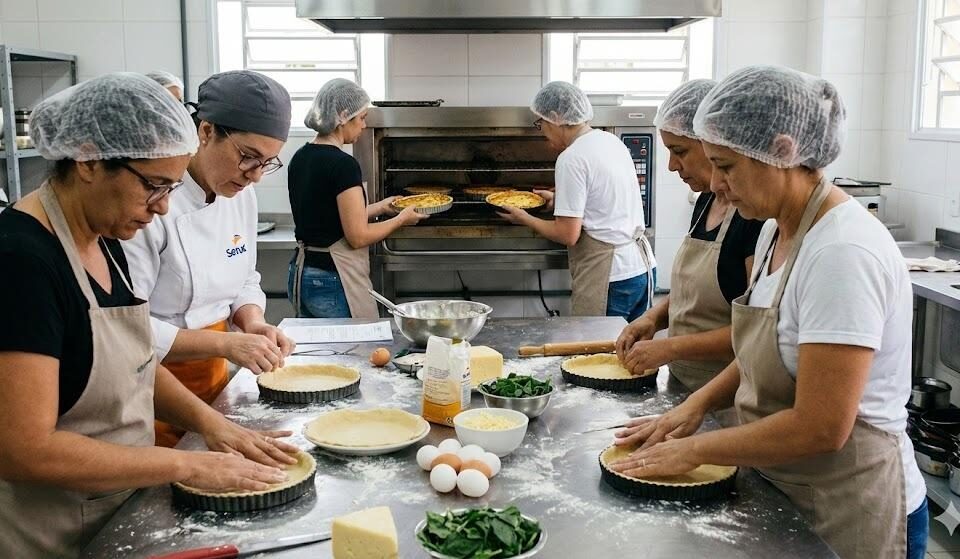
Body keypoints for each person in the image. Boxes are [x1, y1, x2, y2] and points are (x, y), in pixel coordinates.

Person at [609, 66, 927, 559]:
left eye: (726, 166)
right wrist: (695, 407)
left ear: (781, 151)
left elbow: (822, 426)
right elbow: (762, 350)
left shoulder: (842, 253)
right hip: (788, 486)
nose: (714, 183)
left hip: (850, 504)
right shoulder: (774, 230)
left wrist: (693, 450)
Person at [0, 73, 298, 559]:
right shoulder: (21, 261)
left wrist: (213, 426)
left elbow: (134, 363)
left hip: (115, 506)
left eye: (171, 189)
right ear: (89, 160)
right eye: (155, 186)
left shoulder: (103, 239)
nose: (162, 209)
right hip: (54, 531)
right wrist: (185, 467)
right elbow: (22, 450)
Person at [123, 70, 296, 447]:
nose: (255, 177)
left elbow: (245, 275)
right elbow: (125, 328)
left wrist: (253, 323)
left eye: (267, 163)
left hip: (217, 381)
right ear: (205, 132)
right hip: (151, 386)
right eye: (248, 157)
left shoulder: (241, 195)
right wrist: (225, 345)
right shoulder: (148, 205)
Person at [615, 79, 764, 392]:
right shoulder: (705, 202)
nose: (671, 166)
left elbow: (755, 332)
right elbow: (691, 294)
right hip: (684, 383)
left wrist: (670, 348)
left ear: (714, 143)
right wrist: (653, 319)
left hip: (727, 398)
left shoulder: (755, 220)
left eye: (679, 151)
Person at [499, 81, 656, 320]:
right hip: (641, 269)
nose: (541, 131)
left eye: (540, 123)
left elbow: (567, 234)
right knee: (630, 354)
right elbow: (602, 197)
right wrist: (559, 199)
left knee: (597, 353)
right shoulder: (610, 141)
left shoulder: (571, 158)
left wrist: (524, 218)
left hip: (609, 277)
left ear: (555, 117)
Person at [287, 78, 426, 318]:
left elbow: (327, 216)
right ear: (343, 117)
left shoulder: (300, 156)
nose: (364, 126)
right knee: (352, 352)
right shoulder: (343, 165)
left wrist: (380, 207)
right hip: (334, 279)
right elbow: (358, 236)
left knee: (322, 353)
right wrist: (401, 219)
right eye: (361, 118)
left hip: (302, 273)